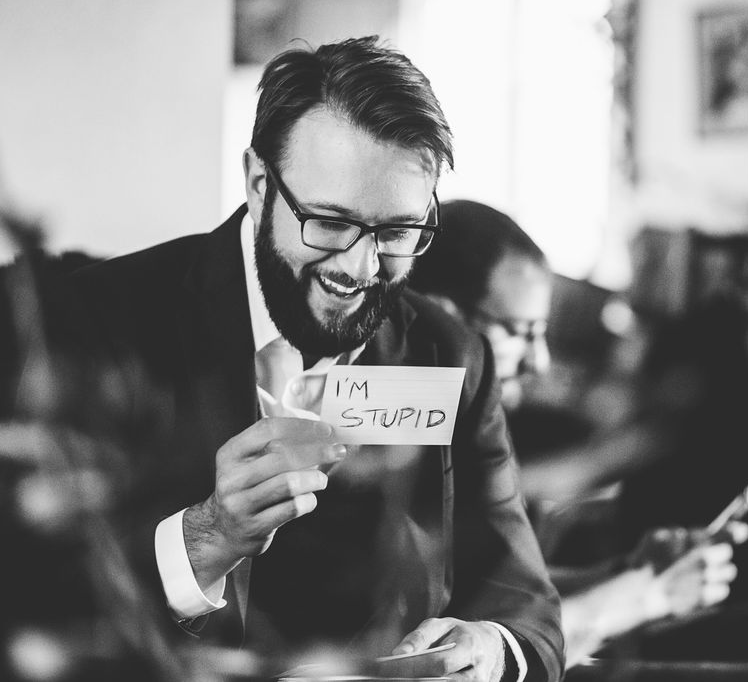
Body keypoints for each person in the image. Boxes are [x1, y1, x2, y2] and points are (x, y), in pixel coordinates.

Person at [69, 37, 564, 681]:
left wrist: (491, 649)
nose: (361, 269)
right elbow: (32, 598)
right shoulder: (97, 325)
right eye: (329, 222)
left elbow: (526, 601)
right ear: (257, 183)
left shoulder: (450, 353)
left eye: (396, 232)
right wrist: (206, 538)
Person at [410, 199, 748, 668]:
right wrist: (648, 594)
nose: (540, 362)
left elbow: (494, 592)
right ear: (445, 317)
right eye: (521, 332)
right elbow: (471, 647)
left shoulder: (456, 424)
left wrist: (626, 570)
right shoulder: (398, 432)